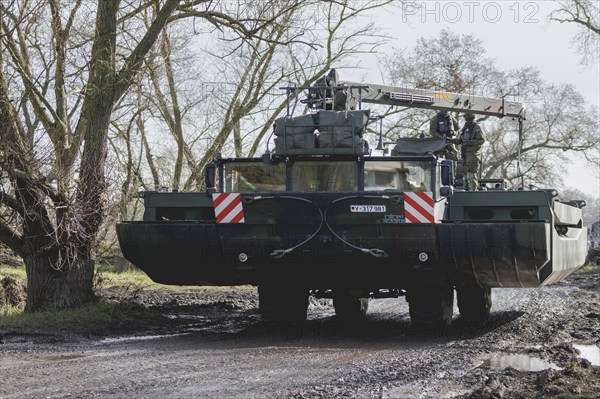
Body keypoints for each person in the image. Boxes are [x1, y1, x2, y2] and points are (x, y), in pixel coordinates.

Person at [448, 113, 486, 191]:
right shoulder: (465, 127)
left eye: (466, 115)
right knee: (465, 176)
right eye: (465, 116)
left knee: (470, 174)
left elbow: (481, 140)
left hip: (473, 154)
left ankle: (472, 193)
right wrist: (449, 140)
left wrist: (469, 142)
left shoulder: (476, 126)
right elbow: (459, 140)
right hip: (465, 154)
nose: (465, 117)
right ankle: (467, 192)